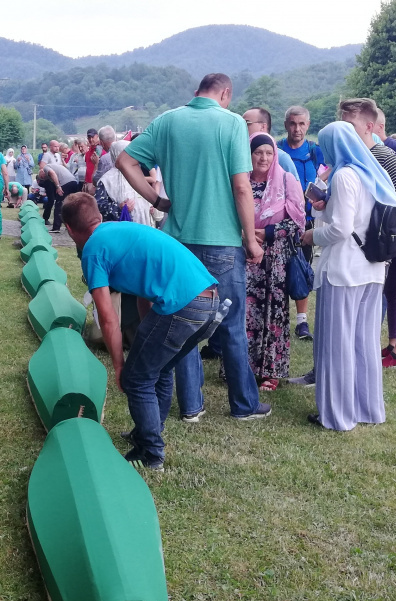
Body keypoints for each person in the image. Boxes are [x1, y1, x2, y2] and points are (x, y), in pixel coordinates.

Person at [118, 72, 271, 422]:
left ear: (197, 92)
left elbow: (125, 161)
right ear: (226, 94)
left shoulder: (166, 121)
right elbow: (242, 188)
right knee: (231, 326)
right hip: (223, 241)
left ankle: (191, 406)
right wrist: (250, 238)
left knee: (183, 324)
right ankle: (244, 405)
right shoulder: (231, 123)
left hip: (178, 239)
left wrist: (157, 199)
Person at [62, 193, 219, 471]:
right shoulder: (118, 231)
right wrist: (147, 336)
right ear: (98, 216)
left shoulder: (93, 250)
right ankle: (149, 431)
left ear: (70, 229)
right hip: (209, 301)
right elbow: (142, 292)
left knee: (137, 379)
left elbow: (108, 318)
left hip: (182, 304)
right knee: (156, 370)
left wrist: (120, 366)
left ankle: (151, 453)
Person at [300, 121, 396, 429]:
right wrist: (322, 207)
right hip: (371, 269)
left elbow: (342, 229)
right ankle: (367, 408)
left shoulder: (344, 175)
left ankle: (336, 415)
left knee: (336, 345)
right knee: (364, 343)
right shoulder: (373, 171)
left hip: (344, 269)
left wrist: (312, 236)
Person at [331, 98, 396, 373]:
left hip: (379, 249)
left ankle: (392, 352)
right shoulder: (353, 156)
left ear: (370, 127)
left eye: (351, 125)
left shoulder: (384, 156)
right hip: (355, 251)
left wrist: (390, 244)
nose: (346, 130)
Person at [245, 133, 305, 390]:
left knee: (273, 312)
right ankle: (243, 367)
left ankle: (271, 371)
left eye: (269, 153)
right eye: (259, 152)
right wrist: (248, 234)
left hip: (275, 259)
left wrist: (266, 233)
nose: (264, 158)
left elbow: (298, 218)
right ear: (250, 154)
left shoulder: (286, 180)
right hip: (247, 255)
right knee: (246, 313)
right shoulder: (241, 181)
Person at [277, 105, 324, 341]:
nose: (297, 129)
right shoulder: (275, 150)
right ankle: (276, 318)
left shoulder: (315, 151)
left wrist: (320, 190)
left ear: (308, 125)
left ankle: (302, 322)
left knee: (302, 269)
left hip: (304, 222)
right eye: (293, 124)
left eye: (302, 124)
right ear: (286, 125)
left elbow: (333, 170)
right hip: (277, 221)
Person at [95, 140, 159, 225]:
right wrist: (119, 208)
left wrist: (153, 208)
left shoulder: (137, 174)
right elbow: (99, 207)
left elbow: (149, 199)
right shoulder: (107, 180)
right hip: (121, 232)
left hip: (144, 229)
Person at [243, 107, 297, 175]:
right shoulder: (242, 155)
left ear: (263, 126)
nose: (242, 127)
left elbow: (293, 184)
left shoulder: (281, 158)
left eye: (247, 123)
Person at [38, 159, 81, 231]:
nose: (44, 178)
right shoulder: (55, 166)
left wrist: (58, 186)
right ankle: (71, 226)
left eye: (42, 177)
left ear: (42, 172)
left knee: (59, 205)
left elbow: (52, 173)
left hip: (66, 184)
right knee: (70, 205)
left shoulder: (46, 168)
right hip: (73, 182)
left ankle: (56, 227)